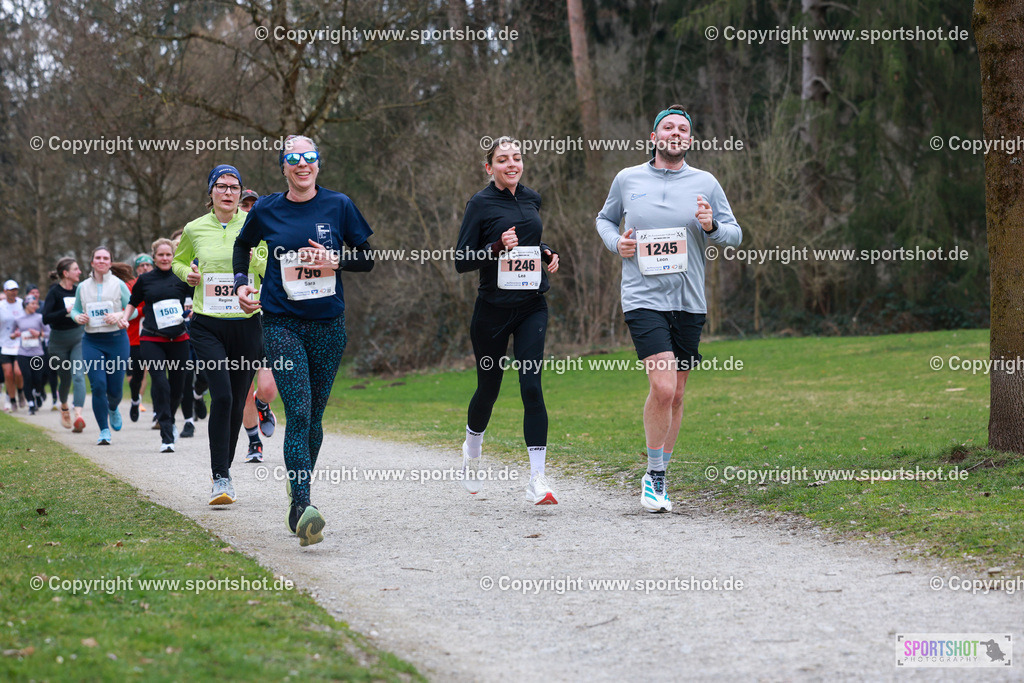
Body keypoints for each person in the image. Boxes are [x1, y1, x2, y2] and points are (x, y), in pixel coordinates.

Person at [596, 106, 743, 513]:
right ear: (653, 136)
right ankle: (654, 477)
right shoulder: (628, 179)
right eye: (668, 128)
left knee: (677, 393)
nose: (675, 134)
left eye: (683, 129)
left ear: (690, 140)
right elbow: (604, 220)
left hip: (689, 300)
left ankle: (658, 476)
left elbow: (735, 235)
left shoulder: (706, 183)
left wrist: (712, 225)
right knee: (662, 387)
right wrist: (616, 244)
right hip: (643, 297)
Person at [234, 134, 373, 546]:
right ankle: (303, 506)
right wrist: (242, 285)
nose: (302, 164)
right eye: (293, 158)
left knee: (314, 418)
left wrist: (336, 260)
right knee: (298, 408)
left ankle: (297, 490)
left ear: (317, 164)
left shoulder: (339, 205)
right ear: (284, 167)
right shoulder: (267, 208)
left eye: (309, 157)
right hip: (281, 324)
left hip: (329, 325)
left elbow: (367, 258)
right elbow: (243, 245)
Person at [454, 136, 560, 505]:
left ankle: (538, 479)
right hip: (493, 310)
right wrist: (497, 247)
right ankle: (471, 453)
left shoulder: (532, 198)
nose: (511, 164)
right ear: (489, 167)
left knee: (531, 386)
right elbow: (462, 260)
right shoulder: (480, 203)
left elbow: (532, 242)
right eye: (502, 159)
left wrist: (546, 253)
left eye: (516, 158)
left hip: (532, 305)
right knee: (489, 390)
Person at [173, 164, 267, 506]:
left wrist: (257, 263)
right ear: (210, 192)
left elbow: (269, 268)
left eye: (234, 187)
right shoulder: (194, 228)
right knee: (223, 397)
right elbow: (179, 263)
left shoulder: (256, 226)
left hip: (246, 321)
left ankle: (224, 472)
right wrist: (189, 275)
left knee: (239, 396)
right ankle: (219, 477)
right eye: (222, 186)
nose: (228, 192)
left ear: (241, 193)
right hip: (208, 323)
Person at [122, 239, 192, 452]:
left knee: (178, 388)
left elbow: (195, 300)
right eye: (160, 255)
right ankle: (166, 434)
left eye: (168, 255)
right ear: (154, 258)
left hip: (179, 338)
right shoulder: (145, 280)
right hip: (152, 338)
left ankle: (168, 418)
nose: (164, 258)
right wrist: (125, 318)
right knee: (160, 383)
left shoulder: (183, 277)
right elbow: (133, 302)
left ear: (173, 256)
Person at [70, 247, 136, 445]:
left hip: (117, 340)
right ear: (92, 263)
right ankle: (104, 431)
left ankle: (113, 408)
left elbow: (131, 311)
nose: (101, 261)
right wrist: (77, 317)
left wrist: (119, 315)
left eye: (105, 258)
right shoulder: (83, 286)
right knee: (98, 386)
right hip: (92, 341)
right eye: (97, 258)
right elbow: (75, 309)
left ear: (110, 262)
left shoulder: (119, 285)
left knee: (115, 390)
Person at [237, 189, 277, 463]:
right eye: (245, 205)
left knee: (268, 387)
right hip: (234, 319)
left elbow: (275, 272)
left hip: (264, 316)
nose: (250, 209)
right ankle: (254, 443)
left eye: (254, 204)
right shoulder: (231, 239)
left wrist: (255, 259)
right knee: (241, 386)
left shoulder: (271, 236)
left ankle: (263, 404)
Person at [41, 258, 88, 431]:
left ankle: (78, 416)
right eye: (76, 269)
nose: (80, 272)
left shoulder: (79, 291)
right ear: (66, 273)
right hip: (58, 341)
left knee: (78, 375)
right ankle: (64, 407)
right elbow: (46, 318)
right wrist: (66, 311)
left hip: (77, 337)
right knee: (66, 379)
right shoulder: (54, 292)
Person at [127, 254, 153, 422]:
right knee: (136, 376)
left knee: (157, 376)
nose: (145, 268)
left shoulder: (158, 282)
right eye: (141, 265)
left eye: (148, 265)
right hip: (134, 338)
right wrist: (148, 309)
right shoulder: (130, 286)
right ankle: (135, 399)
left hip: (155, 337)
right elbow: (128, 309)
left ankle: (159, 414)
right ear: (136, 269)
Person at [11, 295, 46, 414]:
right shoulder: (18, 319)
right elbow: (11, 334)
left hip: (37, 353)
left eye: (36, 304)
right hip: (23, 353)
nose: (36, 306)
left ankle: (38, 393)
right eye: (33, 304)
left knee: (37, 379)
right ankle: (31, 404)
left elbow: (48, 333)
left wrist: (39, 334)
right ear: (26, 304)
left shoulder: (39, 317)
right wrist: (15, 335)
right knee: (27, 378)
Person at [0, 280, 24, 412]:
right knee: (8, 374)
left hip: (19, 344)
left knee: (18, 372)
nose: (13, 292)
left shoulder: (21, 304)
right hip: (4, 344)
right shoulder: (1, 305)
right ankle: (11, 399)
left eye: (15, 289)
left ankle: (20, 391)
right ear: (5, 291)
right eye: (10, 290)